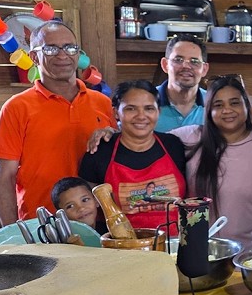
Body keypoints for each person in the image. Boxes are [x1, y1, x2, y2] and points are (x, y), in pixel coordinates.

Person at [0, 21, 114, 223]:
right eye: (50, 49)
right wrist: (14, 233)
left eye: (70, 47)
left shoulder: (102, 102)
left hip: (100, 223)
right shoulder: (16, 107)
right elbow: (4, 178)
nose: (62, 55)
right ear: (33, 57)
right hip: (42, 225)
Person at [170, 75, 252, 251]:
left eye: (234, 103)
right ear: (209, 111)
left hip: (248, 255)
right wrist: (106, 133)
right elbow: (142, 139)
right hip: (198, 253)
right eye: (218, 105)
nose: (227, 110)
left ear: (247, 105)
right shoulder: (190, 137)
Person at [78, 80, 187, 233]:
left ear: (158, 112)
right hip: (123, 250)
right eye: (131, 109)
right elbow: (90, 211)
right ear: (116, 112)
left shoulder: (173, 145)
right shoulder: (100, 152)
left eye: (149, 108)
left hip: (176, 247)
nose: (141, 116)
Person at [154, 34, 210, 132]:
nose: (186, 66)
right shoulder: (146, 102)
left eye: (194, 61)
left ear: (204, 69)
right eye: (178, 60)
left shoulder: (214, 103)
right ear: (165, 65)